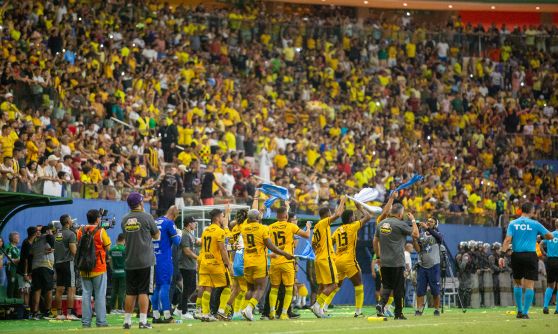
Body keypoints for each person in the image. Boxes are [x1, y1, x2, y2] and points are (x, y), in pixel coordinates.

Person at [240, 209, 294, 321]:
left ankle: (245, 309)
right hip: (259, 262)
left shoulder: (243, 228)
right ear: (258, 218)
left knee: (250, 288)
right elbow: (271, 247)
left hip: (247, 262)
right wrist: (285, 254)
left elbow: (250, 217)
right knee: (260, 288)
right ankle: (249, 309)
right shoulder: (263, 228)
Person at [502, 202, 553, 319]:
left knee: (517, 283)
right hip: (530, 256)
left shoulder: (513, 223)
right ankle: (525, 313)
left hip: (516, 255)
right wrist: (538, 236)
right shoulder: (535, 224)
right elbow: (550, 236)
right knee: (529, 285)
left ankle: (519, 311)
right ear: (531, 210)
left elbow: (507, 240)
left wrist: (502, 255)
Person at [121, 192, 160, 329]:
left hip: (130, 261)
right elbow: (156, 235)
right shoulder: (147, 217)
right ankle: (143, 321)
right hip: (145, 261)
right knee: (144, 291)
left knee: (130, 292)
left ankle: (127, 321)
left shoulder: (124, 219)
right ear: (140, 203)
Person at [373, 203, 419, 320]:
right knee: (398, 289)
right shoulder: (400, 224)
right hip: (397, 261)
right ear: (400, 213)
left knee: (387, 286)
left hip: (384, 261)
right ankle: (398, 314)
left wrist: (378, 256)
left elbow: (375, 240)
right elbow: (416, 234)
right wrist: (413, 220)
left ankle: (381, 305)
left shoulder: (381, 223)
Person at [326, 203, 373, 317]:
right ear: (350, 218)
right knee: (359, 285)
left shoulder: (337, 230)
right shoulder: (353, 226)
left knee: (336, 286)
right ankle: (358, 312)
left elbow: (330, 244)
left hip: (338, 260)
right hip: (349, 260)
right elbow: (368, 217)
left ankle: (324, 307)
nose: (355, 217)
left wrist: (332, 255)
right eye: (353, 215)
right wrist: (360, 208)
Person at [268, 206, 311, 319]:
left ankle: (272, 312)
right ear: (286, 216)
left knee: (274, 288)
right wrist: (308, 227)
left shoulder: (270, 227)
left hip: (275, 261)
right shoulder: (291, 226)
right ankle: (283, 313)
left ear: (276, 216)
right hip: (287, 261)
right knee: (289, 288)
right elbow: (306, 236)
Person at [310, 196, 347, 318]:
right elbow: (338, 214)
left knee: (322, 286)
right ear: (327, 215)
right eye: (330, 214)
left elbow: (313, 244)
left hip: (319, 258)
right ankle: (316, 305)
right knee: (334, 285)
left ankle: (319, 310)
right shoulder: (323, 223)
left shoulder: (317, 227)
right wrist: (342, 201)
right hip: (326, 258)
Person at [77, 210, 112, 328]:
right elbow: (108, 247)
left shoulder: (80, 231)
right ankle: (101, 322)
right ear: (97, 219)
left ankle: (86, 323)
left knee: (86, 295)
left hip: (84, 268)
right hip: (98, 268)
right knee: (100, 295)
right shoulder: (101, 231)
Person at [198, 207, 231, 322]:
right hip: (216, 264)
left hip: (205, 263)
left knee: (208, 288)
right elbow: (222, 250)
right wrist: (228, 263)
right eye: (222, 216)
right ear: (217, 218)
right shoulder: (220, 231)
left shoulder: (205, 231)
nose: (223, 219)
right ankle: (221, 312)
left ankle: (205, 314)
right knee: (228, 286)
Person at [152, 206, 182, 323]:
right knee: (165, 285)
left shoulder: (156, 221)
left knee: (157, 287)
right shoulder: (169, 223)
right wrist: (179, 233)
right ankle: (167, 315)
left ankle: (155, 315)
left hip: (154, 257)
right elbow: (177, 242)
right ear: (174, 215)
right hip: (164, 258)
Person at [413, 217, 443, 316]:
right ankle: (419, 309)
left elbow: (440, 238)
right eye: (428, 221)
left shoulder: (437, 235)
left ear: (435, 224)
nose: (429, 222)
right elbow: (418, 250)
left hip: (434, 265)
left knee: (435, 290)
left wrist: (427, 228)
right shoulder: (421, 235)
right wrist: (414, 240)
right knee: (420, 289)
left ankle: (437, 309)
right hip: (422, 265)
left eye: (432, 222)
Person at [53, 214, 79, 320]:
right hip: (68, 263)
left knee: (59, 289)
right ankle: (69, 314)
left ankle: (59, 314)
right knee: (71, 289)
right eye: (71, 219)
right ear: (68, 221)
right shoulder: (71, 234)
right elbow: (73, 251)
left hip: (58, 264)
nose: (72, 220)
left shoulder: (57, 234)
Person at [30, 224, 55, 320]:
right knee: (49, 290)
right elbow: (52, 239)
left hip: (35, 267)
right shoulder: (48, 237)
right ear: (48, 231)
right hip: (46, 267)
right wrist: (50, 236)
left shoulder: (35, 241)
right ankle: (47, 312)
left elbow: (31, 253)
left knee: (37, 290)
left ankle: (35, 313)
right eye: (51, 231)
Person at [179, 217, 198, 320]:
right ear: (189, 224)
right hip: (185, 265)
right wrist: (198, 258)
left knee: (192, 287)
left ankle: (179, 308)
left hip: (190, 265)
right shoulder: (185, 234)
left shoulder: (190, 234)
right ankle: (183, 311)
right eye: (194, 223)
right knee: (187, 288)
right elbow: (186, 251)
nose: (195, 225)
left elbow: (197, 242)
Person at [541, 219, 558, 314]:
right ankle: (557, 309)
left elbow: (541, 243)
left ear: (555, 225)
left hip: (551, 261)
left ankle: (546, 306)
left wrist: (545, 253)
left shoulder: (550, 234)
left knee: (550, 285)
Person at [109, 233, 126, 314]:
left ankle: (112, 309)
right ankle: (120, 308)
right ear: (124, 240)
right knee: (121, 291)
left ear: (117, 240)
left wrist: (113, 269)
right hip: (123, 273)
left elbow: (110, 261)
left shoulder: (111, 249)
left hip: (114, 272)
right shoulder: (125, 249)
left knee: (114, 290)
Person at [5, 231, 20, 298]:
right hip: (11, 269)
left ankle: (15, 304)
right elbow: (8, 260)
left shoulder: (17, 248)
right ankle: (9, 303)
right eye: (17, 237)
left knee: (17, 285)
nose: (19, 238)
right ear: (13, 238)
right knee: (12, 284)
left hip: (17, 269)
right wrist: (19, 259)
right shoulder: (8, 246)